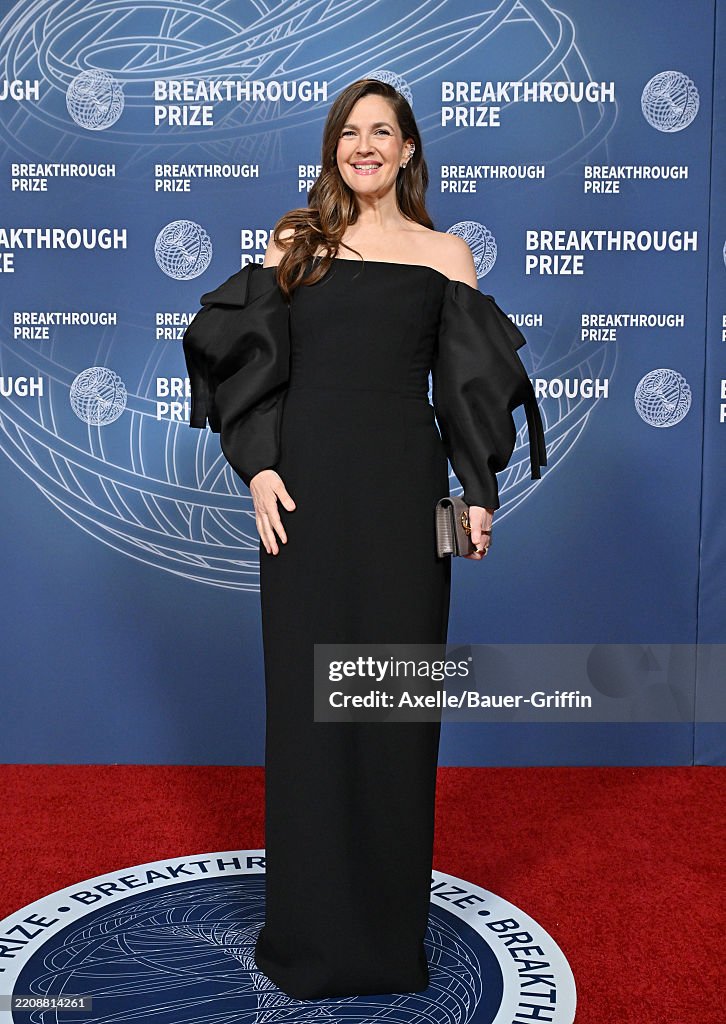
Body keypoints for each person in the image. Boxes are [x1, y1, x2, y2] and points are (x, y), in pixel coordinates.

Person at [183, 77, 547, 1001]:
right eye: (350, 133)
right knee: (309, 710)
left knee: (391, 709)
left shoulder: (446, 255)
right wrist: (259, 466)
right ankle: (308, 939)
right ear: (333, 149)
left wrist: (476, 492)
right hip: (304, 498)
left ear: (410, 150)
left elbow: (468, 385)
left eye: (382, 131)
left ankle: (387, 942)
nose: (365, 146)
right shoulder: (296, 242)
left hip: (402, 499)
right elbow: (249, 364)